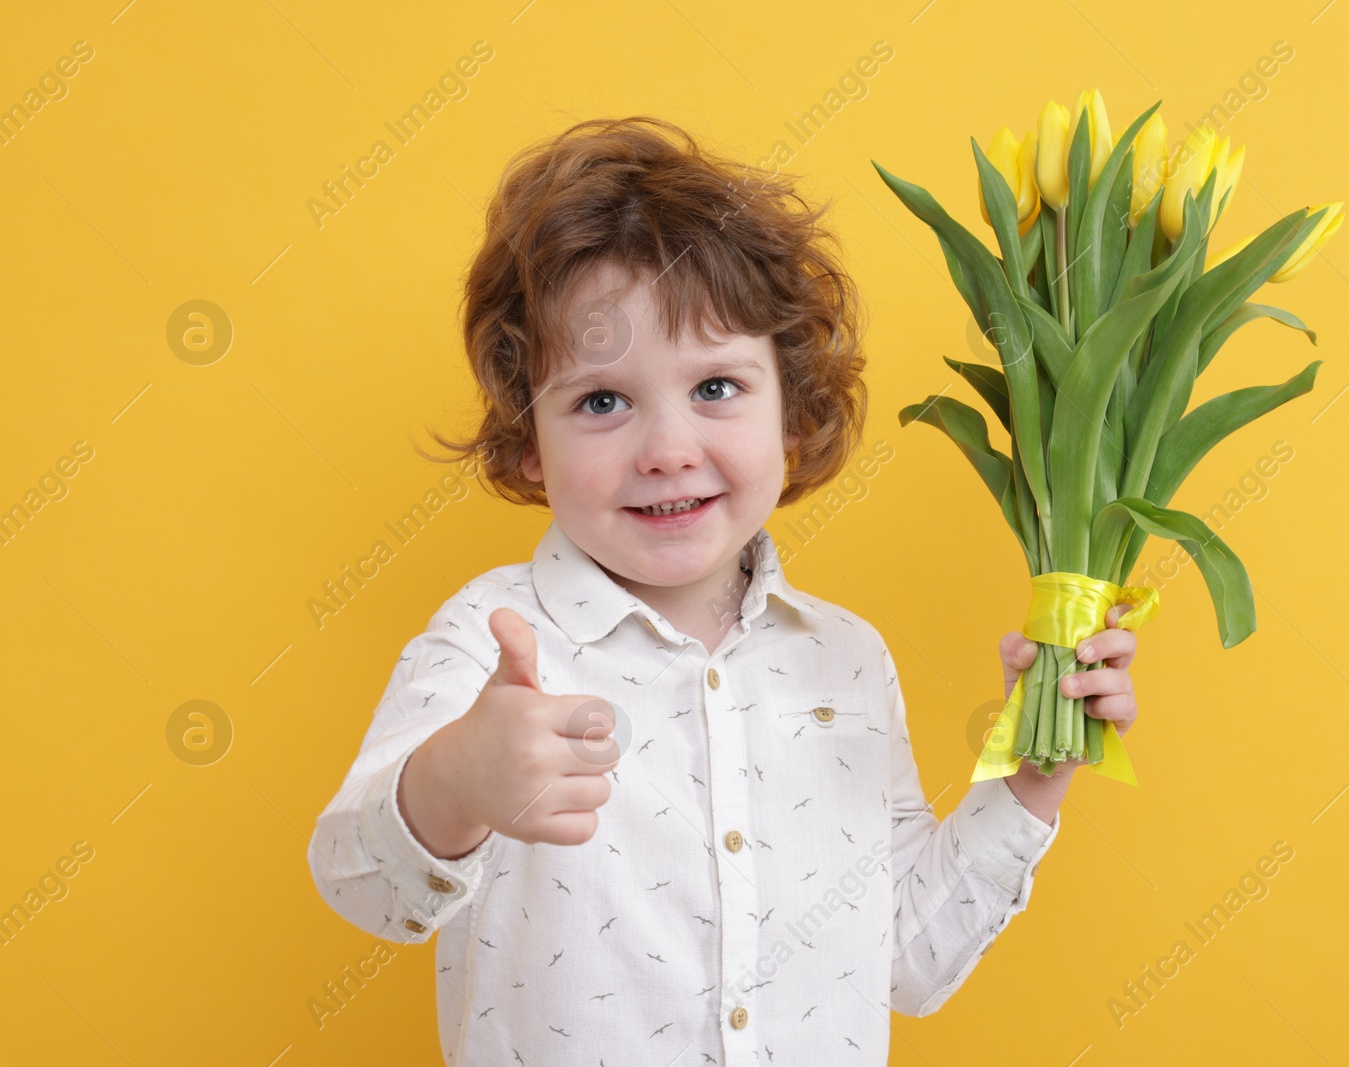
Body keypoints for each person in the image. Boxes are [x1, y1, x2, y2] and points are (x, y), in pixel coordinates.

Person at [306, 115, 1140, 1065]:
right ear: (527, 440)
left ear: (795, 408)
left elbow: (908, 960)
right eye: (602, 401)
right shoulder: (496, 641)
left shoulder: (847, 658)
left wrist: (1037, 773)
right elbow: (359, 884)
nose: (668, 451)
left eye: (715, 388)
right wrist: (456, 779)